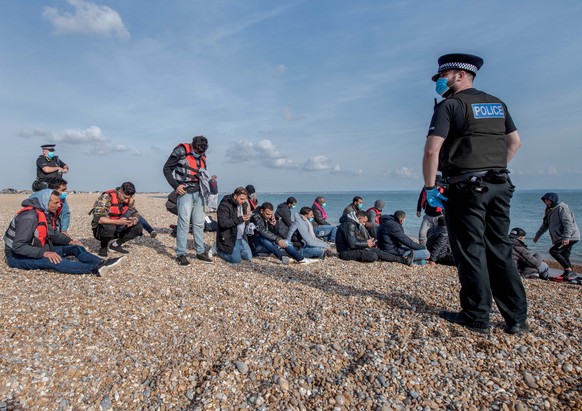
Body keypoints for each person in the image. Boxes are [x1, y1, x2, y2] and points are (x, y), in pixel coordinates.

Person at [422, 53, 528, 334]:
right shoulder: (497, 103)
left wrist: (430, 188)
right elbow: (515, 142)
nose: (440, 82)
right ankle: (516, 319)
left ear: (460, 75)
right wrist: (495, 167)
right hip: (500, 184)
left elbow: (432, 150)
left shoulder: (450, 105)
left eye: (443, 77)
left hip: (466, 187)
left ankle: (477, 316)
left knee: (471, 250)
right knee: (500, 248)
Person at [4, 189, 124, 276]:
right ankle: (95, 269)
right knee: (52, 260)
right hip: (16, 256)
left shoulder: (43, 213)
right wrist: (44, 253)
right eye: (56, 203)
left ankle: (102, 262)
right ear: (46, 202)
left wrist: (70, 241)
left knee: (75, 248)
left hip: (38, 248)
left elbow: (53, 234)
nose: (59, 205)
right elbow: (18, 246)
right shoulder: (29, 217)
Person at [163, 135, 212, 265]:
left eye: (202, 152)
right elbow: (166, 169)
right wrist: (176, 186)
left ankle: (200, 252)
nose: (199, 154)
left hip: (199, 192)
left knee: (199, 223)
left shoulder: (202, 155)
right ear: (193, 146)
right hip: (184, 192)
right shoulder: (180, 151)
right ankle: (181, 254)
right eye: (197, 152)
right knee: (184, 224)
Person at [533, 193, 580, 281]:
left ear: (553, 200)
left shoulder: (562, 208)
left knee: (554, 251)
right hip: (563, 237)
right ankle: (569, 274)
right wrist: (537, 235)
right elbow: (545, 224)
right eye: (545, 200)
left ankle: (569, 271)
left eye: (548, 199)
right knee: (564, 255)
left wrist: (566, 237)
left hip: (570, 236)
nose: (546, 201)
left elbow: (568, 223)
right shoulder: (549, 209)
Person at [90, 182, 143, 257]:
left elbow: (136, 214)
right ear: (120, 191)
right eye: (124, 197)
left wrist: (134, 220)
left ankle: (115, 245)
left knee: (139, 227)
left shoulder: (128, 199)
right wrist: (117, 222)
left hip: (118, 227)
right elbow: (98, 219)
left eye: (128, 198)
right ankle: (103, 247)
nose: (125, 200)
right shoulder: (107, 197)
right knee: (110, 227)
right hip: (101, 229)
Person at [336, 211, 410, 264]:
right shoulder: (350, 225)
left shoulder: (352, 223)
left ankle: (403, 260)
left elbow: (353, 240)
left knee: (378, 251)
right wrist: (366, 243)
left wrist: (367, 241)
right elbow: (352, 243)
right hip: (345, 252)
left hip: (351, 249)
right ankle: (403, 260)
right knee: (373, 256)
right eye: (364, 221)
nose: (364, 224)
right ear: (359, 218)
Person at [216, 187, 253, 264]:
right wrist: (241, 219)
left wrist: (248, 222)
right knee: (236, 260)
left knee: (249, 257)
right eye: (241, 199)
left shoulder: (244, 204)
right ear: (235, 196)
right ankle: (218, 249)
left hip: (240, 237)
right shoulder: (224, 205)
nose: (243, 201)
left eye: (245, 199)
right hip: (230, 236)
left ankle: (236, 249)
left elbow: (244, 219)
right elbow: (223, 223)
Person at [416, 177, 444, 245]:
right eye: (436, 184)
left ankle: (437, 252)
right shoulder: (426, 189)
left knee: (438, 236)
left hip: (439, 217)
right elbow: (421, 197)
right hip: (428, 216)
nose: (437, 186)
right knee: (422, 234)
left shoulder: (444, 190)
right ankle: (423, 251)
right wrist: (418, 209)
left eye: (438, 185)